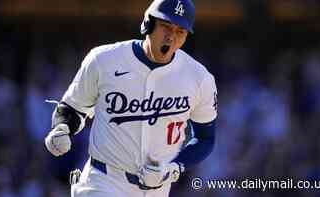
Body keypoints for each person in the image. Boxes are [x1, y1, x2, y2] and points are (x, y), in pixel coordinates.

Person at [44, 0, 218, 196]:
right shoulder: (104, 59)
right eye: (166, 27)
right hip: (104, 181)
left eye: (180, 31)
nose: (171, 37)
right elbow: (73, 108)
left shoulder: (199, 78)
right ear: (148, 24)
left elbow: (205, 138)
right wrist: (62, 127)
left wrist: (174, 167)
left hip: (158, 188)